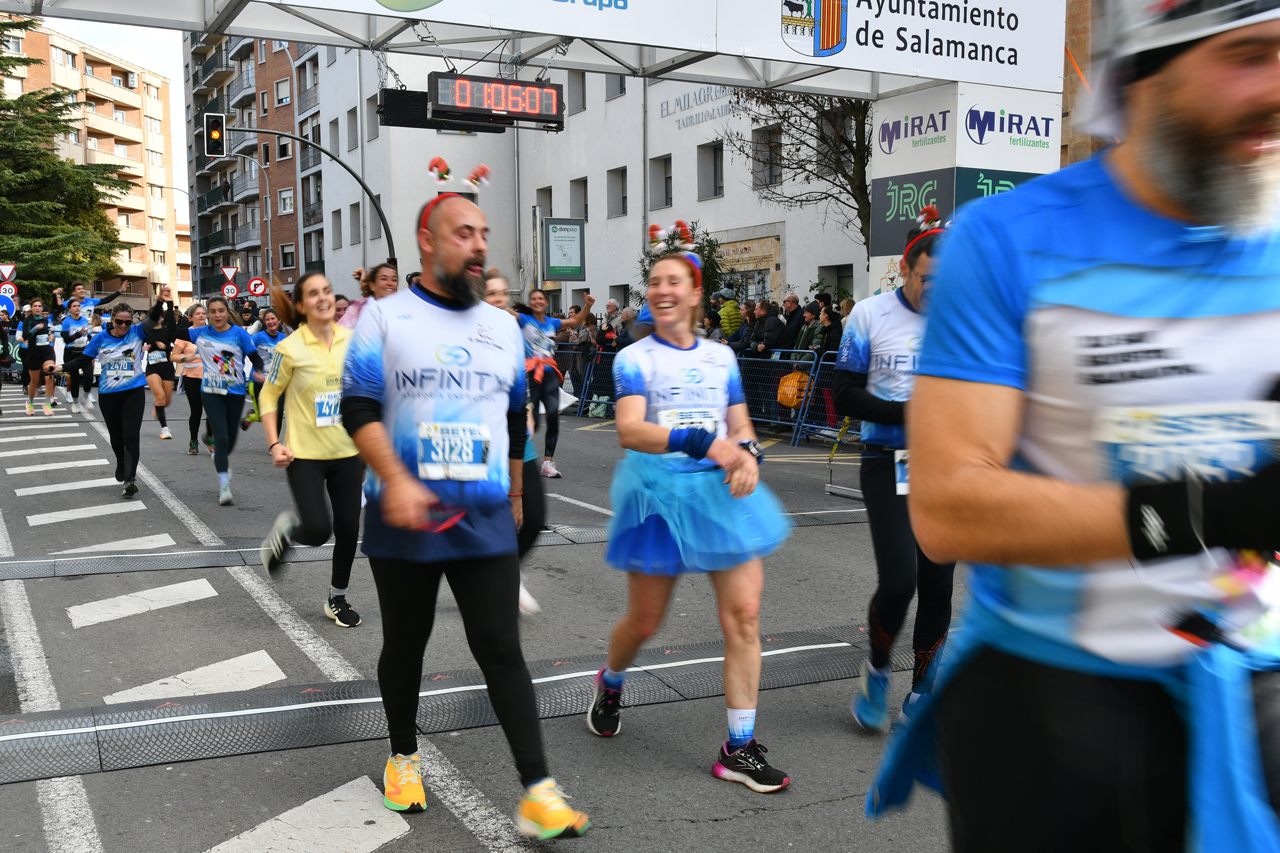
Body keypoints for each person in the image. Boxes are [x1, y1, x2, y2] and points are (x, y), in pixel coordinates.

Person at [868, 9, 1280, 851]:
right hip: (1058, 699)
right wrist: (1208, 512)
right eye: (1249, 55)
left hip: (1254, 685)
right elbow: (947, 508)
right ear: (1148, 70)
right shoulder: (1006, 239)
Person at [341, 193, 590, 836]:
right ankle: (402, 757)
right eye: (463, 233)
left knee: (501, 648)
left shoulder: (503, 327)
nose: (479, 245)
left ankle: (538, 792)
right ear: (428, 240)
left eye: (483, 232)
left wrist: (516, 494)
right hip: (403, 512)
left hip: (482, 513)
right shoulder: (384, 317)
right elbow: (358, 410)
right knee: (407, 644)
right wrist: (397, 480)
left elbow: (513, 418)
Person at [587, 248, 792, 793]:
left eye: (674, 281)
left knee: (744, 616)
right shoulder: (634, 358)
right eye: (655, 282)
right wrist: (705, 443)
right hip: (657, 497)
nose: (662, 290)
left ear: (696, 293)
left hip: (718, 495)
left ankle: (739, 749)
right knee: (645, 623)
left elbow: (740, 426)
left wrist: (749, 456)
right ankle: (611, 680)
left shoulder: (722, 357)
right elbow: (630, 430)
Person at [833, 211, 955, 733]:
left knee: (939, 584)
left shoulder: (962, 318)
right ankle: (878, 670)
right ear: (906, 269)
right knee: (901, 580)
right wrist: (910, 413)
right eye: (928, 279)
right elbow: (844, 395)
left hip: (944, 464)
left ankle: (922, 692)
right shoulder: (869, 314)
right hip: (888, 459)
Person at [258, 274, 364, 629]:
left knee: (348, 527)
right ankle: (287, 533)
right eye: (314, 293)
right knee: (319, 531)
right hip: (303, 455)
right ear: (301, 306)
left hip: (348, 452)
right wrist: (274, 443)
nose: (324, 298)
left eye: (327, 291)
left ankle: (337, 597)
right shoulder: (289, 348)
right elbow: (269, 395)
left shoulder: (353, 340)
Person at [482, 271, 545, 617]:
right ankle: (496, 578)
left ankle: (506, 573)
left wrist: (529, 408)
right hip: (483, 439)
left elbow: (523, 380)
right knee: (484, 517)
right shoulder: (467, 333)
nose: (499, 299)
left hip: (517, 434)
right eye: (491, 293)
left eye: (503, 293)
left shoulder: (514, 332)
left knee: (532, 516)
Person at [176, 296, 263, 505]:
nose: (217, 315)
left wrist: (259, 371)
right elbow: (173, 332)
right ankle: (224, 486)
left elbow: (255, 357)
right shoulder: (200, 333)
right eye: (213, 311)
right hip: (211, 391)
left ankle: (221, 459)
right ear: (208, 314)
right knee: (220, 437)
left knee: (229, 441)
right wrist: (168, 304)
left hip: (235, 392)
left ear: (227, 312)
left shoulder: (239, 333)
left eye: (221, 311)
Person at [58, 304, 148, 497]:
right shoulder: (100, 338)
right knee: (116, 437)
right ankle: (121, 462)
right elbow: (82, 360)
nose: (123, 325)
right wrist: (60, 368)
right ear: (112, 320)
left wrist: (164, 302)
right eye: (119, 321)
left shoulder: (137, 333)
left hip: (134, 392)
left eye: (127, 322)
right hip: (109, 395)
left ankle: (130, 479)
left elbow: (155, 320)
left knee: (131, 436)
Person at [518, 287, 596, 479]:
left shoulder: (552, 322)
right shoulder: (524, 319)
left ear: (545, 302)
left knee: (553, 415)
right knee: (532, 422)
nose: (537, 301)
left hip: (550, 374)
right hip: (531, 374)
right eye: (533, 298)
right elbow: (504, 311)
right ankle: (517, 458)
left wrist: (588, 306)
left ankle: (547, 464)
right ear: (530, 303)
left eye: (540, 298)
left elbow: (575, 321)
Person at [170, 304, 212, 456]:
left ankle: (209, 437)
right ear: (190, 317)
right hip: (192, 378)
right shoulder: (185, 335)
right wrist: (184, 357)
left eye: (203, 313)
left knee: (213, 410)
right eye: (198, 313)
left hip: (211, 378)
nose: (201, 316)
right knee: (196, 411)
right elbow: (173, 356)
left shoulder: (212, 332)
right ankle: (193, 440)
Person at [243, 308, 287, 431]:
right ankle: (251, 416)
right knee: (263, 416)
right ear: (264, 322)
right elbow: (245, 349)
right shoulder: (258, 337)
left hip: (277, 382)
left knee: (278, 413)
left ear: (279, 320)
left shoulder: (284, 338)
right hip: (259, 382)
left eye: (273, 318)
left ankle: (274, 442)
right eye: (267, 319)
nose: (271, 321)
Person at [143, 291, 178, 439]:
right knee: (160, 396)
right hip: (152, 367)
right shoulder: (146, 332)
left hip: (167, 367)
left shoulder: (167, 331)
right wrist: (143, 347)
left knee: (166, 401)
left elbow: (175, 346)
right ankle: (165, 429)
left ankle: (157, 407)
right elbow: (136, 345)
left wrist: (166, 347)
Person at [18, 297, 56, 416]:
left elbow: (48, 331)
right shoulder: (28, 320)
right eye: (35, 306)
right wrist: (35, 328)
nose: (38, 308)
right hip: (33, 352)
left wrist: (51, 335)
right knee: (34, 381)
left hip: (46, 350)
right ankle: (30, 403)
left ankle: (47, 403)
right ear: (31, 308)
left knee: (50, 374)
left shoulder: (44, 319)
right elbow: (25, 336)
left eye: (39, 306)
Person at [338, 264, 399, 330]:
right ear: (372, 285)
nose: (390, 283)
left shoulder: (401, 309)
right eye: (384, 279)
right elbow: (339, 333)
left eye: (394, 280)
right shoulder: (356, 310)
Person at [60, 298, 95, 413]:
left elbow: (88, 335)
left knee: (89, 376)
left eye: (78, 306)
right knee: (74, 379)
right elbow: (66, 339)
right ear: (70, 309)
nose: (77, 308)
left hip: (84, 352)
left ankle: (85, 396)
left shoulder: (85, 320)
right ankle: (75, 403)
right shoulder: (66, 321)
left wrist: (90, 339)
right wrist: (78, 334)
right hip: (71, 353)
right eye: (74, 306)